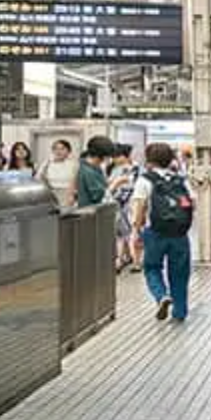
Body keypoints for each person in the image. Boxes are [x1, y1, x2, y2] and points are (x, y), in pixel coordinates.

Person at [130, 143, 194, 323]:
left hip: (155, 232)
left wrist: (136, 232)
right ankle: (180, 312)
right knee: (180, 273)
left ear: (149, 160)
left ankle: (161, 296)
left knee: (152, 268)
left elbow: (139, 208)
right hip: (180, 234)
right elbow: (192, 204)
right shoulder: (181, 180)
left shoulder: (145, 180)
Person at [109, 144, 140, 272]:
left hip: (129, 203)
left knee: (130, 232)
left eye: (117, 156)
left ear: (125, 156)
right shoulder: (114, 168)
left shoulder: (134, 169)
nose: (115, 159)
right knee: (121, 233)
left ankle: (135, 261)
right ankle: (122, 259)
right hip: (117, 203)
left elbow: (130, 186)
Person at [37, 139, 78, 207]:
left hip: (67, 194)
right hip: (51, 194)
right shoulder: (47, 163)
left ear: (68, 151)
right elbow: (38, 178)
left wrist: (71, 196)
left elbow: (74, 181)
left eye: (62, 149)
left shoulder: (73, 164)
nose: (58, 151)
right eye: (56, 148)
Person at [77, 135, 115, 207]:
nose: (108, 158)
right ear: (102, 155)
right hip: (90, 212)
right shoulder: (88, 171)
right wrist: (116, 184)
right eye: (108, 156)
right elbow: (98, 196)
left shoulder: (94, 167)